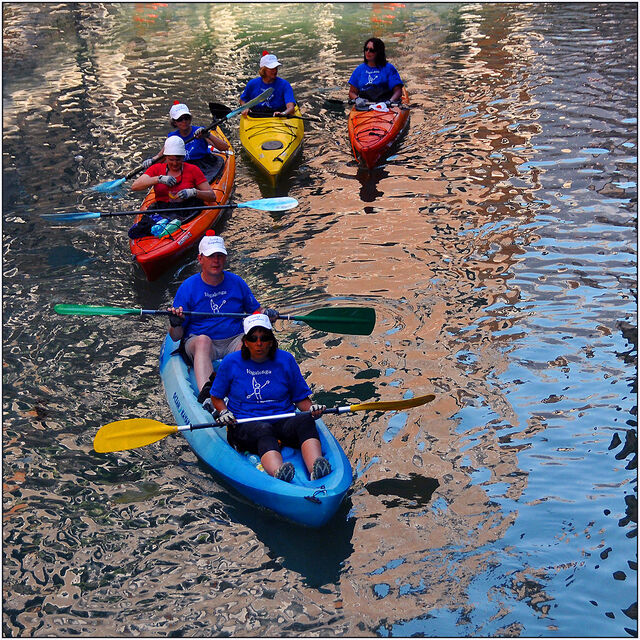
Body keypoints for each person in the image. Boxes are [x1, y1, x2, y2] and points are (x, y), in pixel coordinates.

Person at [209, 313, 332, 483]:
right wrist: (223, 412)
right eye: (253, 338)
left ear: (272, 341)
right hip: (246, 423)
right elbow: (216, 397)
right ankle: (277, 472)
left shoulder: (286, 360)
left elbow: (300, 399)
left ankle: (316, 468)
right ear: (245, 342)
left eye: (264, 338)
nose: (259, 343)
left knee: (305, 420)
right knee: (263, 430)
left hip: (282, 419)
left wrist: (312, 410)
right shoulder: (231, 362)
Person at [167, 232, 277, 403]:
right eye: (211, 256)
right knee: (203, 341)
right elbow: (175, 336)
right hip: (201, 342)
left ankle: (253, 394)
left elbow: (257, 312)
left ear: (225, 258)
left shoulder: (236, 282)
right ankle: (209, 397)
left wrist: (268, 315)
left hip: (233, 339)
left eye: (220, 256)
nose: (216, 261)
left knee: (251, 342)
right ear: (200, 259)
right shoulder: (188, 287)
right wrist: (176, 323)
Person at [130, 136, 216, 216]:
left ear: (183, 157)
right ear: (165, 157)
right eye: (171, 160)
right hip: (163, 209)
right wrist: (159, 179)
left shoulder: (193, 170)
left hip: (187, 209)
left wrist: (194, 192)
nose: (174, 163)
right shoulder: (156, 169)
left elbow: (212, 197)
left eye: (178, 160)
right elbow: (135, 186)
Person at [142, 102, 230, 179]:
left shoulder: (200, 132)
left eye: (186, 118)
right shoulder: (172, 138)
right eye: (180, 119)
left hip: (205, 165)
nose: (184, 121)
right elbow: (161, 156)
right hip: (183, 167)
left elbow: (224, 147)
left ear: (190, 119)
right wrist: (151, 161)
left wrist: (207, 135)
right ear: (174, 122)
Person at [240, 51, 296, 117]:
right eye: (271, 69)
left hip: (278, 116)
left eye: (276, 68)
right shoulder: (252, 84)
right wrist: (245, 107)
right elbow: (242, 100)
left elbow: (291, 107)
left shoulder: (285, 85)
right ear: (263, 70)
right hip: (257, 115)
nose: (275, 71)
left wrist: (283, 113)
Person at [348, 37, 404, 104]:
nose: (368, 52)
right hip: (364, 105)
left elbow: (398, 91)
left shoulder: (389, 68)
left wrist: (390, 101)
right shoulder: (359, 69)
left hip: (385, 105)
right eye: (366, 49)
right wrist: (357, 99)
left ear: (378, 52)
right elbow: (352, 92)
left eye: (372, 50)